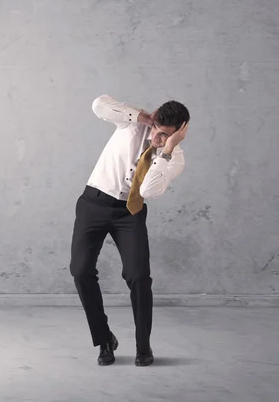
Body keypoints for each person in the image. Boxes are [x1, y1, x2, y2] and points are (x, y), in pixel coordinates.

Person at [69, 94, 190, 367]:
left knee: (138, 276)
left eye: (167, 136)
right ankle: (104, 340)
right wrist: (141, 116)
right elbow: (98, 104)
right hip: (94, 203)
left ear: (179, 134)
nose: (158, 139)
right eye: (158, 132)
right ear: (155, 121)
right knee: (80, 270)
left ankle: (143, 345)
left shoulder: (175, 157)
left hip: (130, 213)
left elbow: (148, 191)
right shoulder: (130, 125)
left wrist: (166, 151)